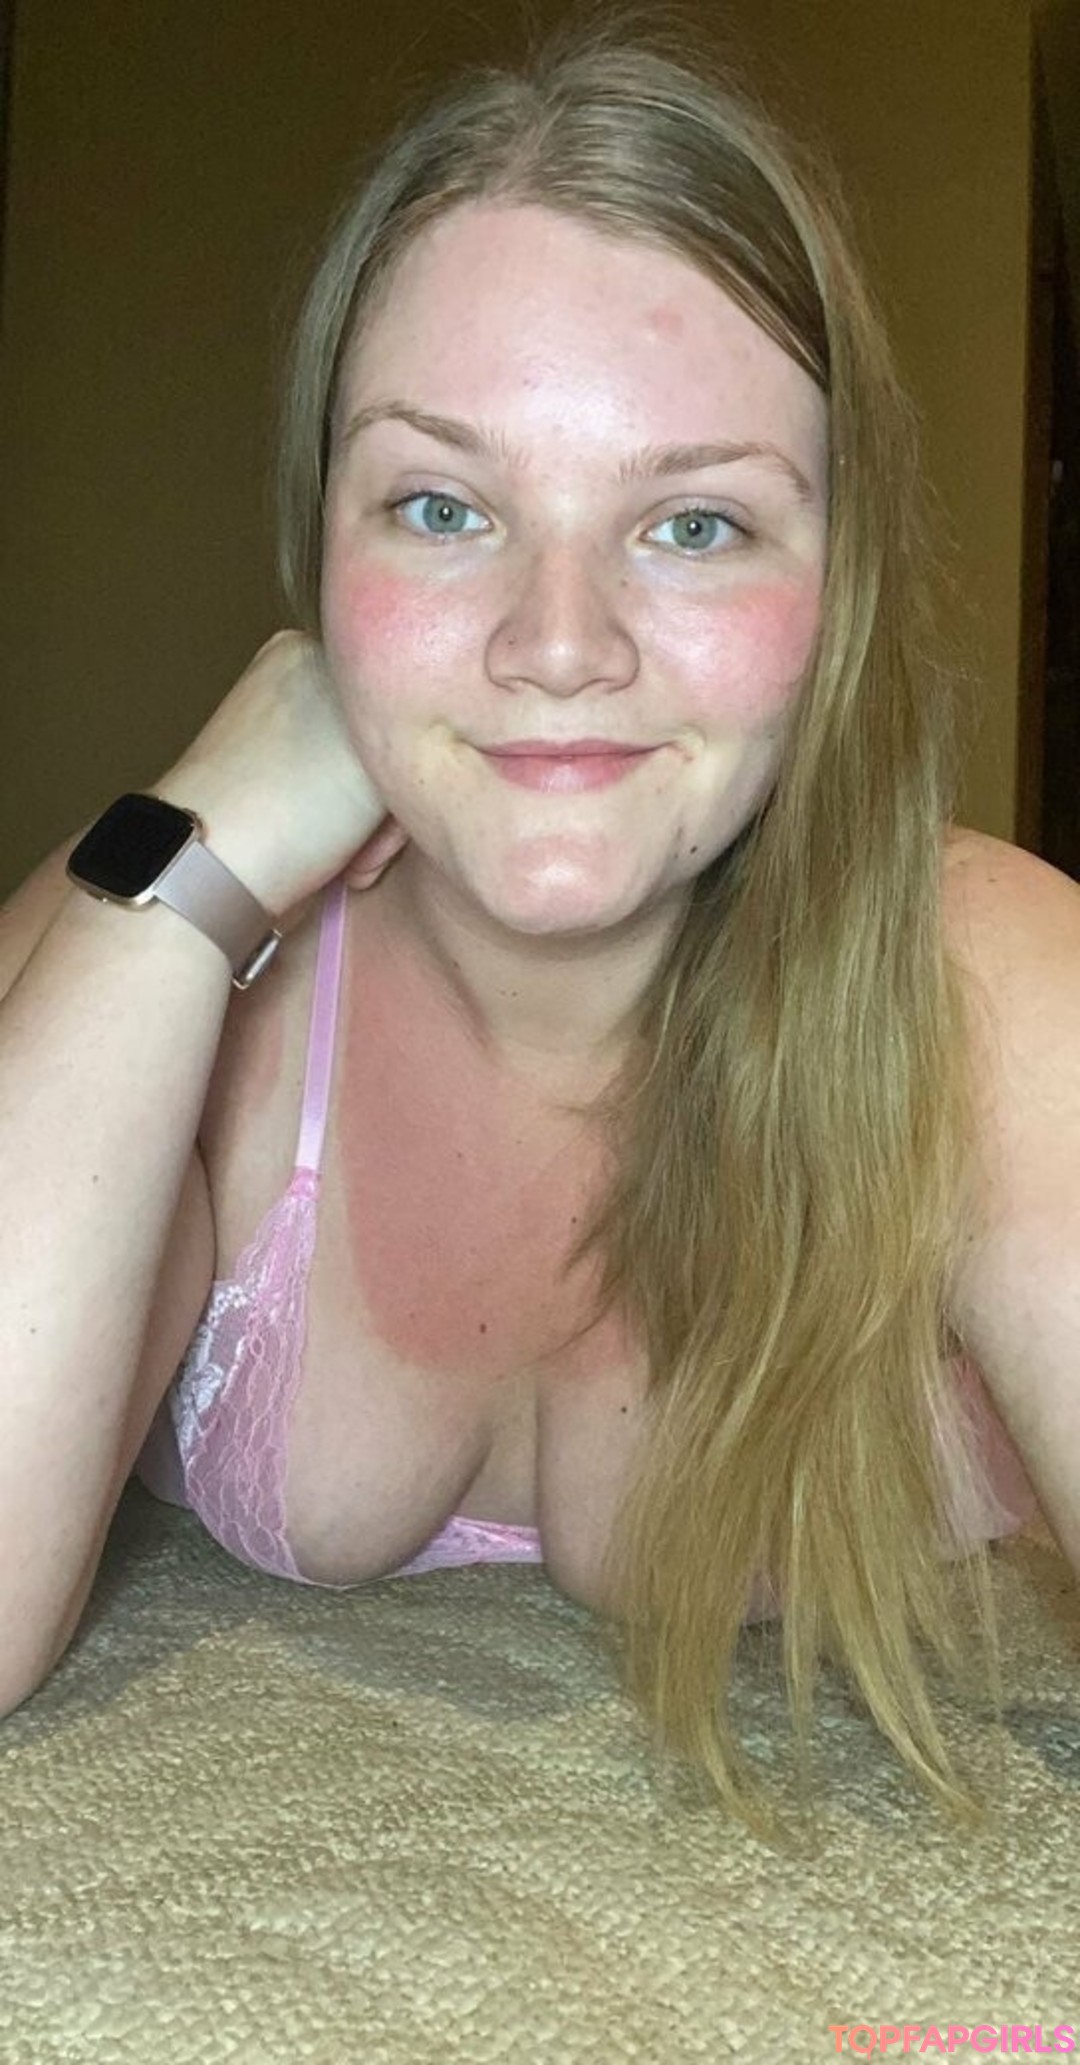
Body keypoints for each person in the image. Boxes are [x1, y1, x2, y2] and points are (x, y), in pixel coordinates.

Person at [1, 18, 1076, 1832]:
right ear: (320, 549)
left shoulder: (991, 980)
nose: (557, 642)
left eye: (695, 525)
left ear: (841, 580)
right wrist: (189, 870)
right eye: (442, 506)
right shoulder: (168, 933)